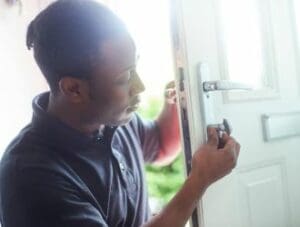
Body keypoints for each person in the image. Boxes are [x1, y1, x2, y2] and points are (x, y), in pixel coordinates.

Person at [0, 0, 240, 226]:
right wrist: (199, 180)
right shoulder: (32, 178)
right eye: (124, 78)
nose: (140, 86)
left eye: (135, 67)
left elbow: (158, 145)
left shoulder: (111, 118)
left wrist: (177, 103)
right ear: (74, 89)